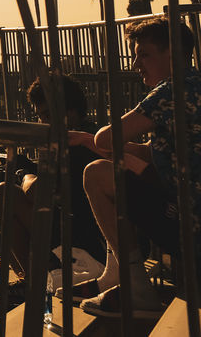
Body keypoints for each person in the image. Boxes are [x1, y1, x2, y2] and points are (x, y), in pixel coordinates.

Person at [77, 16, 198, 319]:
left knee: (97, 174)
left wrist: (95, 140)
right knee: (112, 171)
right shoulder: (195, 85)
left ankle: (135, 287)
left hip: (188, 221)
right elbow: (150, 152)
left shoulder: (170, 91)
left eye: (143, 54)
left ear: (172, 52)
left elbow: (107, 137)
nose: (135, 64)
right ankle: (118, 277)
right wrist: (85, 139)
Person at [0, 73, 105, 292]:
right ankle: (37, 276)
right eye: (41, 116)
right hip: (83, 234)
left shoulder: (77, 143)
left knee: (2, 194)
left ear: (70, 111)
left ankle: (34, 281)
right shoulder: (92, 133)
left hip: (91, 244)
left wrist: (24, 174)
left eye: (48, 115)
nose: (44, 122)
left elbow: (37, 192)